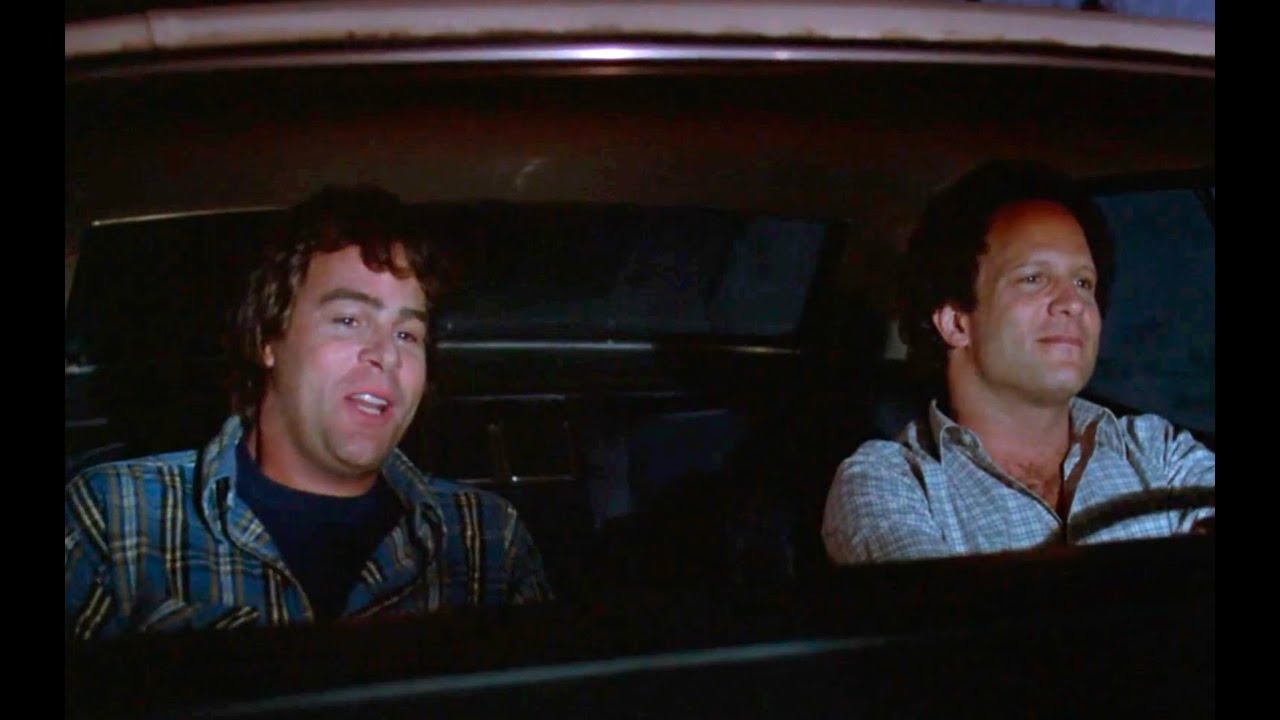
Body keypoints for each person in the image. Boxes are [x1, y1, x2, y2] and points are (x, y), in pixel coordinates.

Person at [66, 185, 552, 640]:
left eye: (407, 334)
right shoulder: (116, 518)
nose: (386, 354)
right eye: (349, 320)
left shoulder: (487, 539)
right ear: (267, 339)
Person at [821, 160, 1215, 564]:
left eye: (1084, 282)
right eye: (1033, 278)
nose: (1074, 303)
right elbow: (943, 604)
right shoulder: (890, 481)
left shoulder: (1155, 450)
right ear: (956, 323)